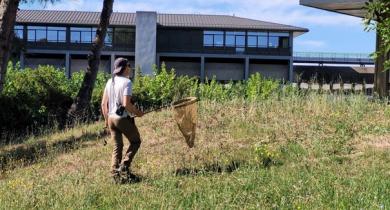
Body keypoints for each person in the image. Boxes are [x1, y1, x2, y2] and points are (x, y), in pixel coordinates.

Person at [101, 57, 144, 184]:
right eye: (129, 66)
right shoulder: (127, 82)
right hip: (121, 119)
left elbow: (104, 104)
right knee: (136, 141)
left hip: (110, 118)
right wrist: (138, 113)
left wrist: (106, 121)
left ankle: (115, 175)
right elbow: (126, 104)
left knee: (117, 146)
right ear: (125, 68)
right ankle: (124, 166)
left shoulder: (110, 81)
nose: (130, 68)